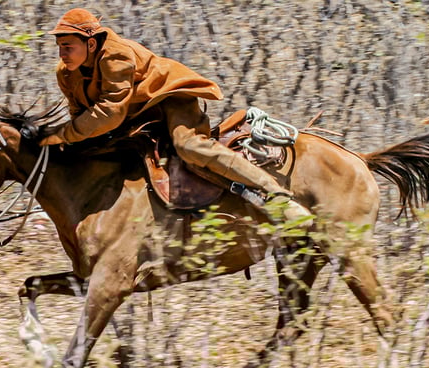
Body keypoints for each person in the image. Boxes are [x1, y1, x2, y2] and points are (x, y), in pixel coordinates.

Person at [39, 8, 311, 223]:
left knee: (189, 147)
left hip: (169, 98)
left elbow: (109, 112)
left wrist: (63, 133)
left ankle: (276, 194)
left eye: (68, 46)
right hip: (135, 112)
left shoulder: (115, 55)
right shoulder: (65, 72)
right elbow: (80, 113)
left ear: (90, 43)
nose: (62, 53)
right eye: (60, 46)